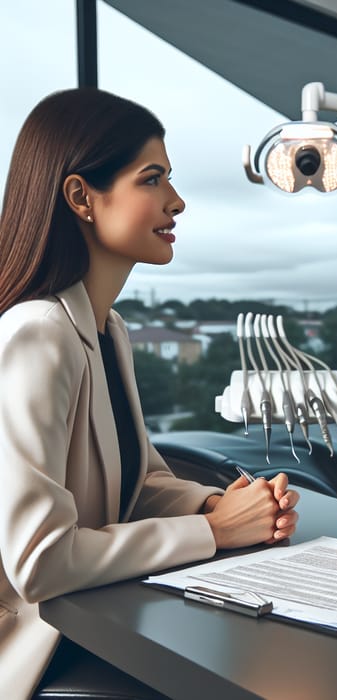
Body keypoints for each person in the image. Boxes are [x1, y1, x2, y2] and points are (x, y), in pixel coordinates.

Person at [0, 87, 299, 699]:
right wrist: (217, 534)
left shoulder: (107, 329)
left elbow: (136, 483)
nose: (177, 201)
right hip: (37, 651)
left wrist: (216, 506)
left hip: (95, 623)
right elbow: (39, 561)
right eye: (152, 179)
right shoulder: (38, 334)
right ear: (82, 196)